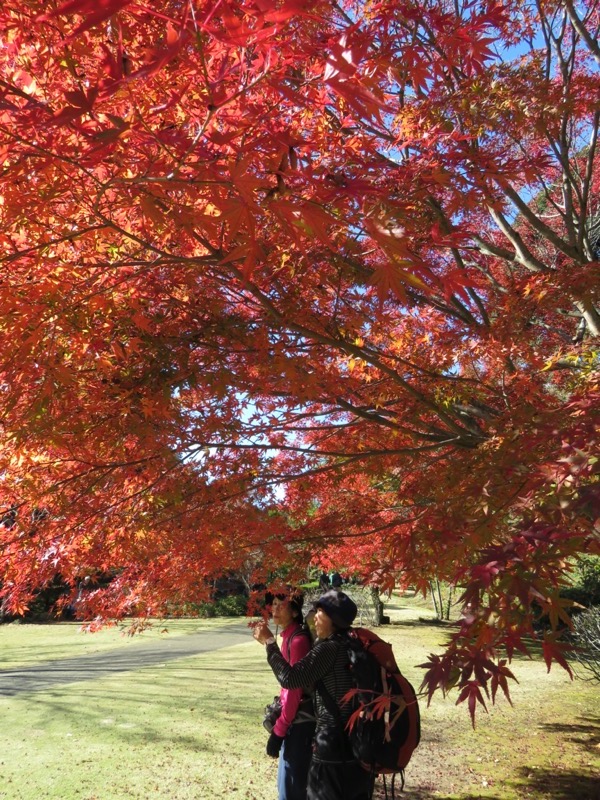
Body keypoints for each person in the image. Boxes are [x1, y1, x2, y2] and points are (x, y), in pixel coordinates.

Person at [254, 589, 374, 800]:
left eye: (320, 612)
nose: (313, 616)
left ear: (334, 619)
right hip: (356, 743)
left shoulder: (330, 648)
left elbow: (291, 679)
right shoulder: (352, 644)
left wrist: (270, 644)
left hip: (332, 746)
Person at [264, 591, 315, 800]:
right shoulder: (288, 636)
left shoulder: (298, 642)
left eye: (281, 604)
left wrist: (278, 732)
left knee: (291, 792)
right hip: (292, 723)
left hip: (301, 726)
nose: (274, 608)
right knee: (285, 787)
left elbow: (294, 691)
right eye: (273, 604)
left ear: (294, 611)